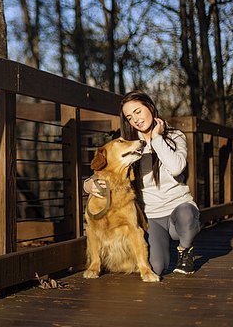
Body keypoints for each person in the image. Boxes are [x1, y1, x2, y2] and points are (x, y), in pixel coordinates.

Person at [83, 90, 201, 276]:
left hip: (178, 209)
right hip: (152, 216)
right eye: (129, 117)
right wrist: (88, 184)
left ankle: (185, 249)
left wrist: (156, 138)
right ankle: (163, 245)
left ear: (150, 107)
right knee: (156, 267)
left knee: (186, 217)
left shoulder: (175, 136)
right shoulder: (130, 144)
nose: (135, 119)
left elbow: (176, 167)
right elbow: (107, 166)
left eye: (138, 111)